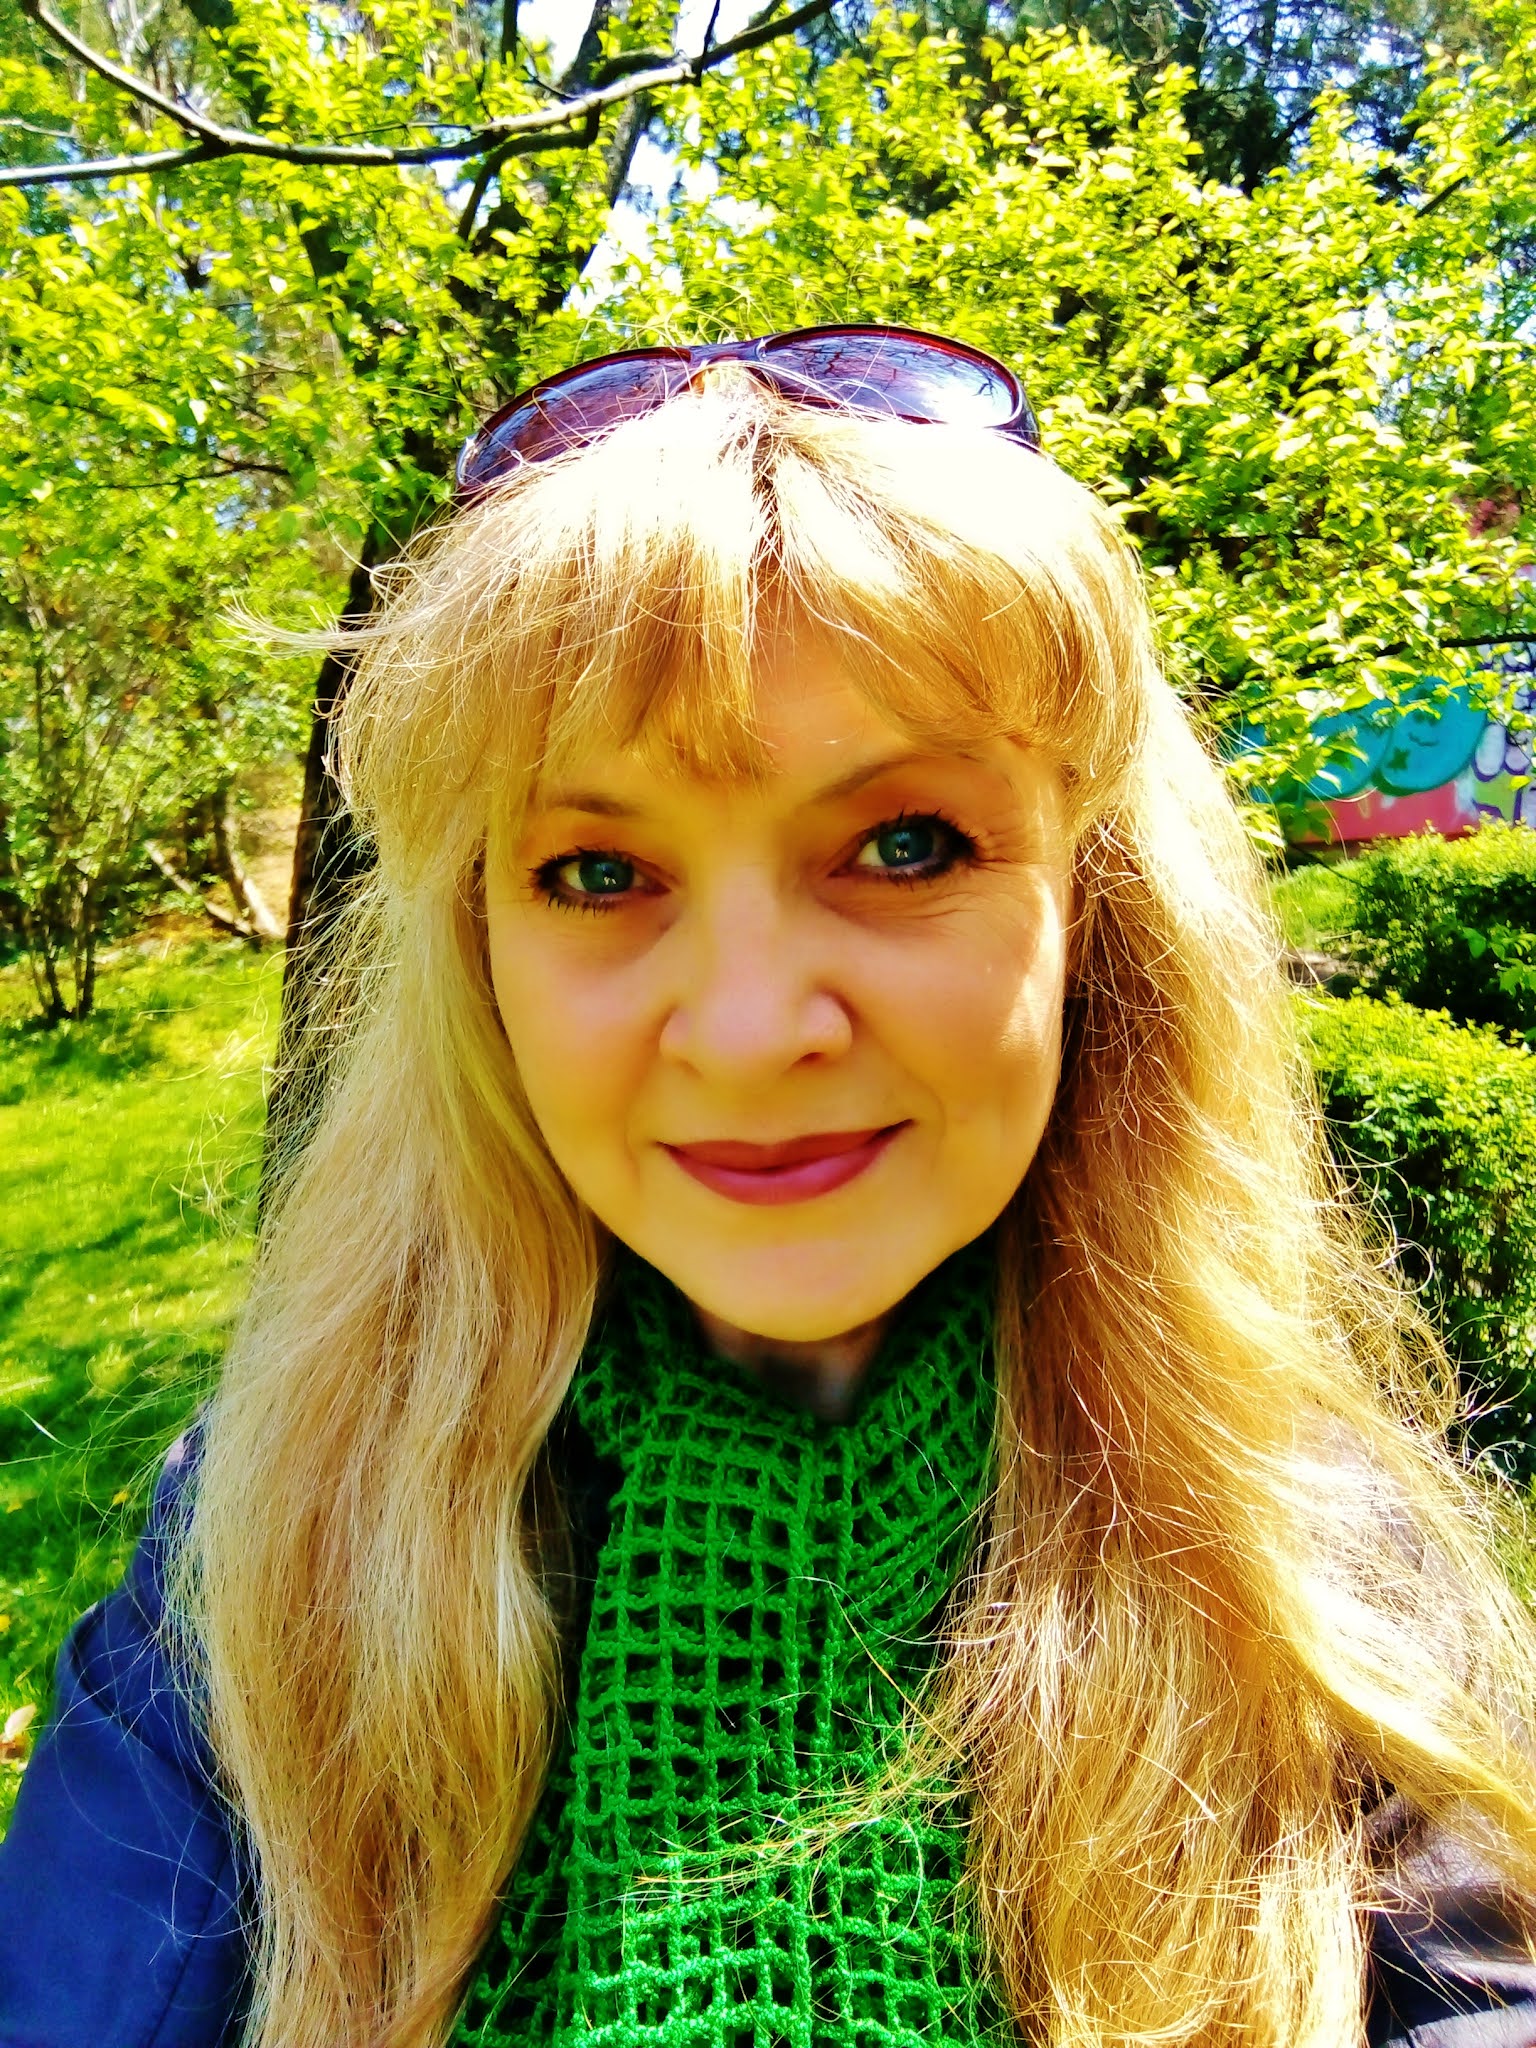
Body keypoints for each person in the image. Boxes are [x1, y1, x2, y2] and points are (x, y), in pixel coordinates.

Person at [4, 326, 1536, 2048]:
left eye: (904, 846)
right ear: (479, 957)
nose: (746, 1030)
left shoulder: (1288, 1554)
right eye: (599, 871)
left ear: (1095, 912)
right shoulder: (281, 1527)